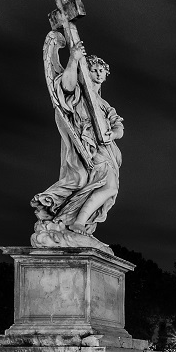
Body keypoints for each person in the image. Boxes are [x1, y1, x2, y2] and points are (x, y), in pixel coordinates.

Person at [32, 31, 124, 241]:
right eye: (94, 70)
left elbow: (118, 124)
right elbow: (67, 86)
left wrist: (114, 133)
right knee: (106, 186)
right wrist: (73, 59)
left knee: (104, 187)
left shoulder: (105, 105)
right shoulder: (81, 94)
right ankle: (77, 221)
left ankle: (75, 221)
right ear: (86, 72)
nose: (99, 73)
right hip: (88, 150)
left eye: (102, 70)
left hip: (106, 150)